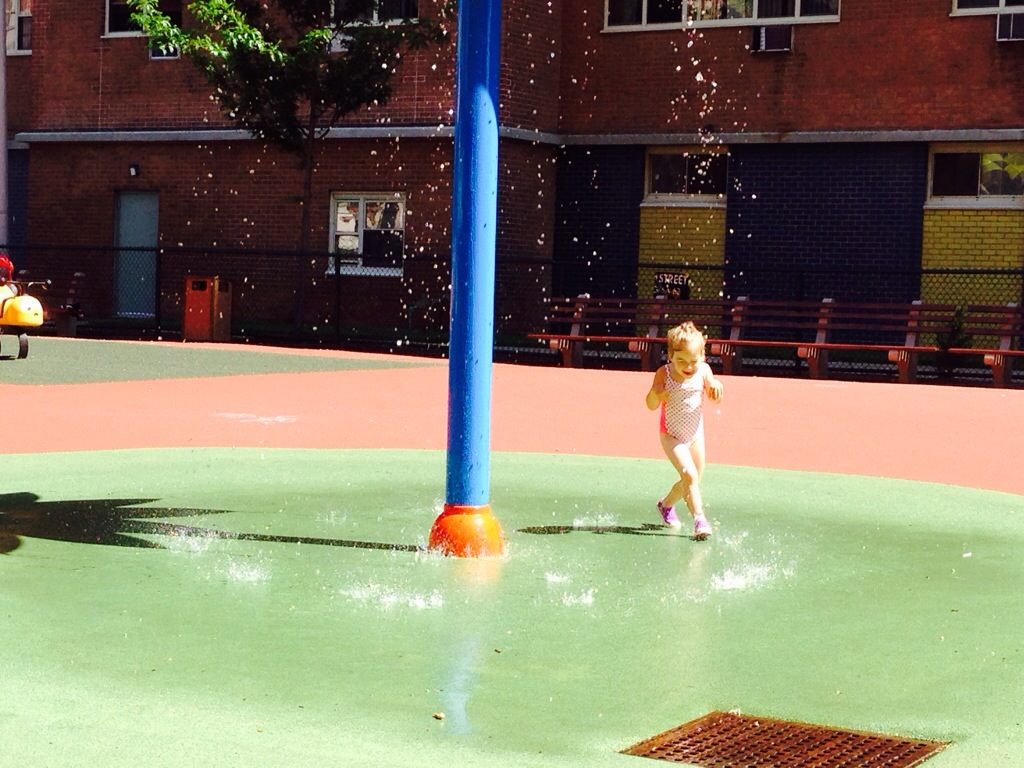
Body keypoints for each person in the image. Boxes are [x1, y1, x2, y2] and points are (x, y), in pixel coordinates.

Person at [645, 321, 724, 539]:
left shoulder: (704, 371)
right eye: (681, 361)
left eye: (693, 361)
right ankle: (700, 520)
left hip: (695, 435)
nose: (688, 367)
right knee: (689, 474)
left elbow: (714, 396)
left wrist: (717, 387)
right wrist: (656, 394)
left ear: (703, 357)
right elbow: (650, 404)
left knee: (692, 479)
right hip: (671, 435)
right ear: (671, 355)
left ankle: (665, 505)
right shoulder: (664, 374)